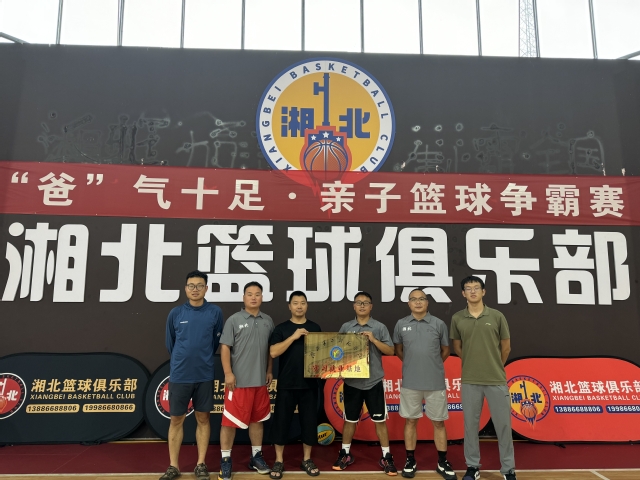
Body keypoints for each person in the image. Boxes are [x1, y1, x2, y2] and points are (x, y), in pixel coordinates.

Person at [450, 276, 516, 480]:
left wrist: (494, 365)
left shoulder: (496, 316)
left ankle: (508, 469)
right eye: (468, 288)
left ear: (483, 291)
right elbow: (457, 347)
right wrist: (473, 362)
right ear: (463, 293)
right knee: (471, 426)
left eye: (476, 288)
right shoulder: (457, 318)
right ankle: (472, 467)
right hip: (470, 379)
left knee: (503, 426)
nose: (472, 291)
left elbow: (506, 347)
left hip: (496, 379)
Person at [162, 270, 224, 480]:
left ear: (206, 288)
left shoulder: (215, 312)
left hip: (204, 374)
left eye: (199, 285)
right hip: (180, 375)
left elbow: (215, 343)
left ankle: (200, 464)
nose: (195, 289)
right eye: (191, 285)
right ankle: (173, 466)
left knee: (203, 419)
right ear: (185, 288)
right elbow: (171, 344)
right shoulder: (176, 313)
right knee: (176, 420)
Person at [393, 288, 456, 480]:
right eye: (414, 299)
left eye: (422, 299)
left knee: (438, 422)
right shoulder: (401, 324)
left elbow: (445, 350)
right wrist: (413, 365)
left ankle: (442, 462)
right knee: (411, 421)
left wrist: (432, 365)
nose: (418, 302)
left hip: (434, 382)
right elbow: (398, 350)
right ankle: (410, 460)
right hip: (410, 382)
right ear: (409, 303)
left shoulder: (438, 324)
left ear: (427, 302)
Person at [333, 291, 397, 476]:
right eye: (358, 302)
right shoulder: (346, 327)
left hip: (373, 381)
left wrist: (373, 339)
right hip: (352, 382)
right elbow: (336, 352)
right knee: (349, 420)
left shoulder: (379, 327)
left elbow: (391, 351)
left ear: (371, 306)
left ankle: (386, 456)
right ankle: (345, 453)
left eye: (365, 303)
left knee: (379, 420)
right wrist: (335, 369)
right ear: (354, 306)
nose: (362, 305)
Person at [218, 282, 275, 480]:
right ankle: (225, 460)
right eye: (249, 294)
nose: (253, 297)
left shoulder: (268, 321)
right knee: (229, 422)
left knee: (257, 420)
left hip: (260, 382)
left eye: (257, 294)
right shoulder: (234, 320)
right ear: (243, 298)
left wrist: (269, 370)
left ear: (262, 297)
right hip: (238, 383)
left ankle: (256, 457)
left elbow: (270, 349)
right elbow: (225, 347)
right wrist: (228, 373)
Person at [268, 291, 322, 479]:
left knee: (309, 423)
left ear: (307, 306)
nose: (299, 306)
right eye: (296, 303)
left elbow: (323, 354)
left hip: (309, 384)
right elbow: (273, 352)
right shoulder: (281, 329)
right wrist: (293, 336)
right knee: (281, 423)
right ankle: (279, 460)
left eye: (303, 303)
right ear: (289, 306)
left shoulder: (315, 327)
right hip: (286, 384)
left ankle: (307, 459)